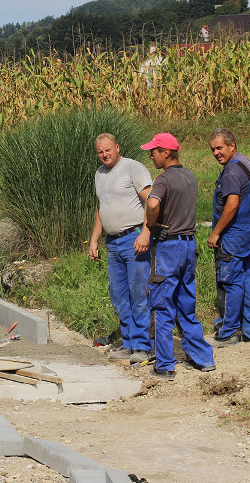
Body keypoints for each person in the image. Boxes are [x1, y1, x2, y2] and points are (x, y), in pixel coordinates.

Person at [141, 132, 215, 381]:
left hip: (169, 246)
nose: (151, 154)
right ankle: (204, 358)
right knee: (186, 305)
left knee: (162, 306)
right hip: (188, 245)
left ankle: (164, 365)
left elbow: (152, 205)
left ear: (167, 152)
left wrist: (153, 225)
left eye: (154, 150)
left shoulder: (163, 179)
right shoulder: (189, 176)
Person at [88, 133, 154, 364]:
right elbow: (101, 208)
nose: (104, 155)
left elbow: (152, 201)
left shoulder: (132, 168)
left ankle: (143, 346)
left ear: (117, 148)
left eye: (108, 150)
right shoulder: (99, 174)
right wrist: (94, 239)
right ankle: (128, 342)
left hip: (133, 237)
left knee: (138, 292)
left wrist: (146, 232)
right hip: (113, 242)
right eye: (100, 152)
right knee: (118, 294)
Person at [207, 128, 250, 346]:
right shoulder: (246, 164)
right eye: (212, 149)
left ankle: (229, 331)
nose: (215, 153)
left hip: (233, 232)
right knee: (249, 281)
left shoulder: (231, 171)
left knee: (231, 282)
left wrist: (216, 232)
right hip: (249, 229)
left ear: (232, 145)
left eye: (219, 148)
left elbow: (231, 205)